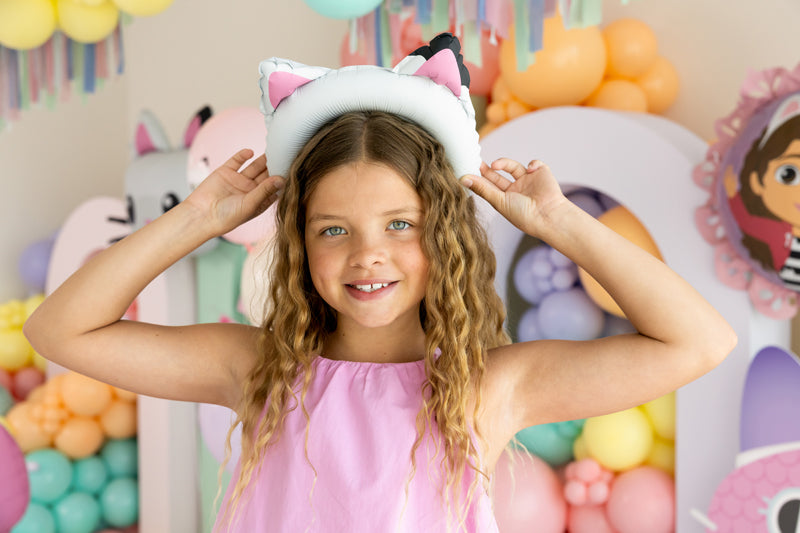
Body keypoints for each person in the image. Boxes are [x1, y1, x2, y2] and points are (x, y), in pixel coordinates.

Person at [24, 35, 736, 532]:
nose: (369, 255)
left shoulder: (489, 386)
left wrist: (561, 222)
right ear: (300, 244)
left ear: (444, 235)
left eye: (401, 225)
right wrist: (196, 219)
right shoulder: (255, 370)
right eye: (334, 229)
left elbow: (700, 342)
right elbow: (59, 330)